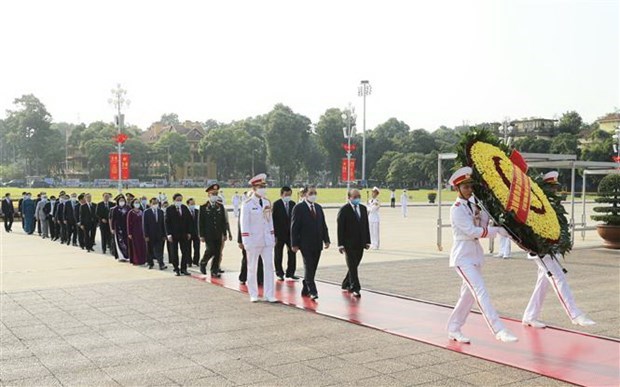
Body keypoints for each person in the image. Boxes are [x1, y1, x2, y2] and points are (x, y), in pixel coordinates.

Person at [446, 167, 517, 343]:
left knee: (467, 296)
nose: (469, 190)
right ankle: (499, 329)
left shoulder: (474, 205)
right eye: (465, 187)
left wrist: (490, 212)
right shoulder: (456, 209)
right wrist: (497, 231)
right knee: (480, 290)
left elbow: (483, 224)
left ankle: (453, 328)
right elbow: (472, 231)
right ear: (457, 189)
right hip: (462, 256)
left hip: (475, 255)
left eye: (471, 186)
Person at [522, 171, 596, 329]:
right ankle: (575, 314)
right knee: (558, 277)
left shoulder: (554, 205)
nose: (554, 191)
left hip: (551, 249)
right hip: (540, 249)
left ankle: (530, 316)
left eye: (555, 187)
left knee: (543, 283)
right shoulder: (536, 204)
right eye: (551, 187)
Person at [240, 174, 277, 302]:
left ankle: (269, 294)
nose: (263, 189)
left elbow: (270, 221)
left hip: (267, 240)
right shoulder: (247, 204)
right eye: (260, 187)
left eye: (264, 186)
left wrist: (272, 236)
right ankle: (253, 293)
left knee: (269, 267)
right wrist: (246, 241)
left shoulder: (267, 202)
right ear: (254, 188)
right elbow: (244, 224)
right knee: (252, 267)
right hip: (253, 240)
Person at [291, 186, 330, 300]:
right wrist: (294, 244)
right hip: (305, 243)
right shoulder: (299, 208)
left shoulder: (318, 207)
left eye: (315, 193)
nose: (313, 195)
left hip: (317, 243)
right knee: (308, 266)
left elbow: (323, 225)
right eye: (311, 193)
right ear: (305, 194)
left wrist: (326, 240)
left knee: (313, 268)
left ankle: (305, 286)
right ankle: (313, 291)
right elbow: (294, 227)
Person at [337, 189, 371, 297]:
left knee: (355, 265)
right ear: (349, 198)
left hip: (360, 243)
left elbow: (366, 226)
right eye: (355, 196)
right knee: (352, 265)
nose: (357, 198)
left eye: (358, 196)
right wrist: (340, 244)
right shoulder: (344, 210)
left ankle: (346, 282)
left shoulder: (363, 208)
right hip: (348, 244)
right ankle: (355, 287)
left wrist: (367, 241)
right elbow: (340, 228)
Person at [199, 184, 228, 277]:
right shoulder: (204, 207)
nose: (214, 195)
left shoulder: (220, 206)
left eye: (216, 194)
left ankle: (214, 270)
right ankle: (203, 262)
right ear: (208, 194)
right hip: (208, 234)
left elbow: (223, 221)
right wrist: (201, 235)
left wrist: (225, 233)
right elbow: (201, 222)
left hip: (218, 233)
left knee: (217, 252)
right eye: (213, 194)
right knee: (210, 250)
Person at [273, 186, 298, 281]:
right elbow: (273, 220)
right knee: (278, 253)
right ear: (281, 195)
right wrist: (274, 235)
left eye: (289, 195)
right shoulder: (276, 204)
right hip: (279, 234)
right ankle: (279, 272)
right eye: (286, 195)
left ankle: (290, 272)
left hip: (290, 234)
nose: (288, 196)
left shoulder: (293, 204)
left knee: (292, 253)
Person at [165, 193, 193, 276]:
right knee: (174, 252)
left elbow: (189, 221)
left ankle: (184, 268)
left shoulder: (184, 208)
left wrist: (189, 232)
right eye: (177, 200)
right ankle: (176, 268)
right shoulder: (169, 209)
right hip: (173, 235)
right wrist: (168, 234)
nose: (179, 201)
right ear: (174, 200)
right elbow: (167, 222)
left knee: (185, 252)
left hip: (183, 234)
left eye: (180, 200)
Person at [143, 197, 167, 270]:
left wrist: (164, 234)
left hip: (159, 234)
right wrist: (146, 235)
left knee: (159, 250)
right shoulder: (146, 212)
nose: (155, 204)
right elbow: (144, 225)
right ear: (150, 204)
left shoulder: (161, 212)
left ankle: (161, 264)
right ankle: (150, 263)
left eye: (156, 203)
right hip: (150, 235)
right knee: (150, 250)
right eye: (153, 203)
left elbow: (163, 224)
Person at [110, 194, 130, 261]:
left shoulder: (128, 208)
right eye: (120, 200)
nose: (122, 202)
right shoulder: (115, 209)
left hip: (126, 227)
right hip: (118, 228)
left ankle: (127, 255)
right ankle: (121, 256)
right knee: (119, 242)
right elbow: (113, 219)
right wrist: (112, 228)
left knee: (126, 242)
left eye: (123, 200)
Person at [126, 198, 147, 265]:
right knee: (136, 246)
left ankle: (143, 259)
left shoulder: (141, 211)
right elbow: (128, 223)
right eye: (136, 202)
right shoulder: (131, 212)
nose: (137, 204)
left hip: (141, 231)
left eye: (138, 202)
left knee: (142, 246)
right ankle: (136, 260)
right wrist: (129, 233)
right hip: (134, 232)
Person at [186, 198, 200, 267]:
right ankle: (189, 261)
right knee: (188, 248)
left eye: (194, 204)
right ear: (188, 204)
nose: (193, 205)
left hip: (196, 233)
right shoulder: (185, 212)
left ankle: (196, 261)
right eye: (191, 204)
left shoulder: (197, 211)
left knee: (197, 248)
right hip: (188, 233)